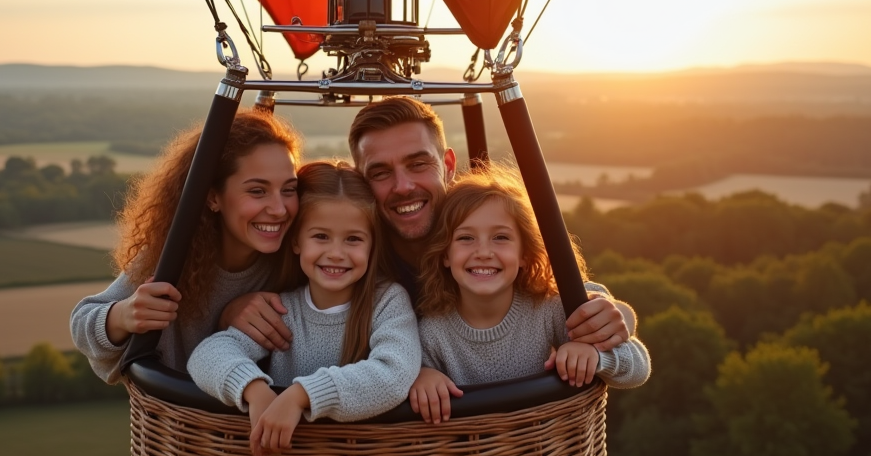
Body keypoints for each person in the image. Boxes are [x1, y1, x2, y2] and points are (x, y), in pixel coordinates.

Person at [221, 97, 636, 357]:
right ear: (365, 185)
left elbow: (561, 292)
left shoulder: (481, 241)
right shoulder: (348, 255)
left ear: (449, 166)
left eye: (419, 164)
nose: (403, 186)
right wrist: (230, 314)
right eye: (381, 173)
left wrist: (616, 315)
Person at [187, 161, 420, 456]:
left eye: (353, 239)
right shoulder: (283, 310)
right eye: (321, 236)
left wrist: (300, 396)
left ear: (372, 245)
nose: (336, 253)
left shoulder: (387, 302)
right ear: (296, 241)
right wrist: (255, 390)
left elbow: (392, 375)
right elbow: (207, 355)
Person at [70, 111, 302, 383]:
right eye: (257, 191)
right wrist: (124, 314)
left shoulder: (300, 257)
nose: (279, 209)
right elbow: (82, 323)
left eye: (289, 189)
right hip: (180, 420)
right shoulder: (177, 255)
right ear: (213, 197)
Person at [408, 164, 650, 423]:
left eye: (500, 237)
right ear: (445, 254)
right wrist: (421, 376)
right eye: (466, 238)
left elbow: (639, 367)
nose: (483, 252)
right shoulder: (432, 332)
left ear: (524, 254)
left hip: (546, 455)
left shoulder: (548, 308)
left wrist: (596, 356)